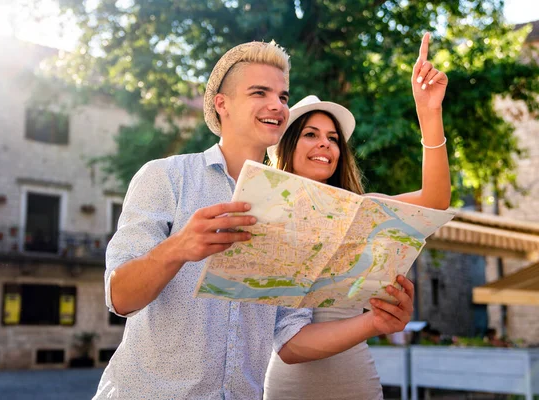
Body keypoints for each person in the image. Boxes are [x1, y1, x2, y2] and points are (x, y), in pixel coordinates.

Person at [93, 40, 414, 399]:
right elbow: (119, 297)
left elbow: (290, 338)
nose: (277, 105)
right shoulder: (166, 176)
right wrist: (177, 248)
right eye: (260, 92)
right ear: (222, 104)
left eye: (283, 96)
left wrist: (374, 322)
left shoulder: (292, 208)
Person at [264, 32, 450, 400]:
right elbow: (288, 345)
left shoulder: (363, 213)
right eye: (311, 134)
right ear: (287, 146)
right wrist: (375, 322)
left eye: (333, 138)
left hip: (357, 385)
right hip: (288, 389)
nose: (325, 144)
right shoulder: (269, 220)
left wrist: (429, 113)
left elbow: (436, 200)